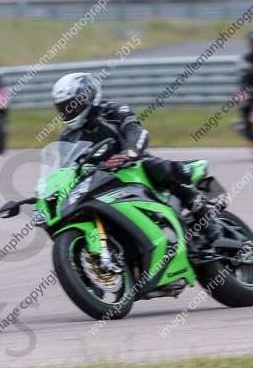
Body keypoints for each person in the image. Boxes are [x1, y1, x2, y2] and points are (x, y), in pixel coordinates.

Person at [51, 72, 222, 243]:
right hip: (100, 182)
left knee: (158, 167)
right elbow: (68, 168)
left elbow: (136, 133)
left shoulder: (114, 111)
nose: (69, 112)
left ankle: (208, 218)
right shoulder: (67, 137)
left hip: (131, 168)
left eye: (72, 106)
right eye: (64, 108)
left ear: (88, 97)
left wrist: (128, 154)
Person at [237, 31, 253, 140]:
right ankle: (245, 124)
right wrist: (244, 92)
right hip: (250, 88)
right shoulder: (246, 58)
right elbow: (243, 77)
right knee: (242, 99)